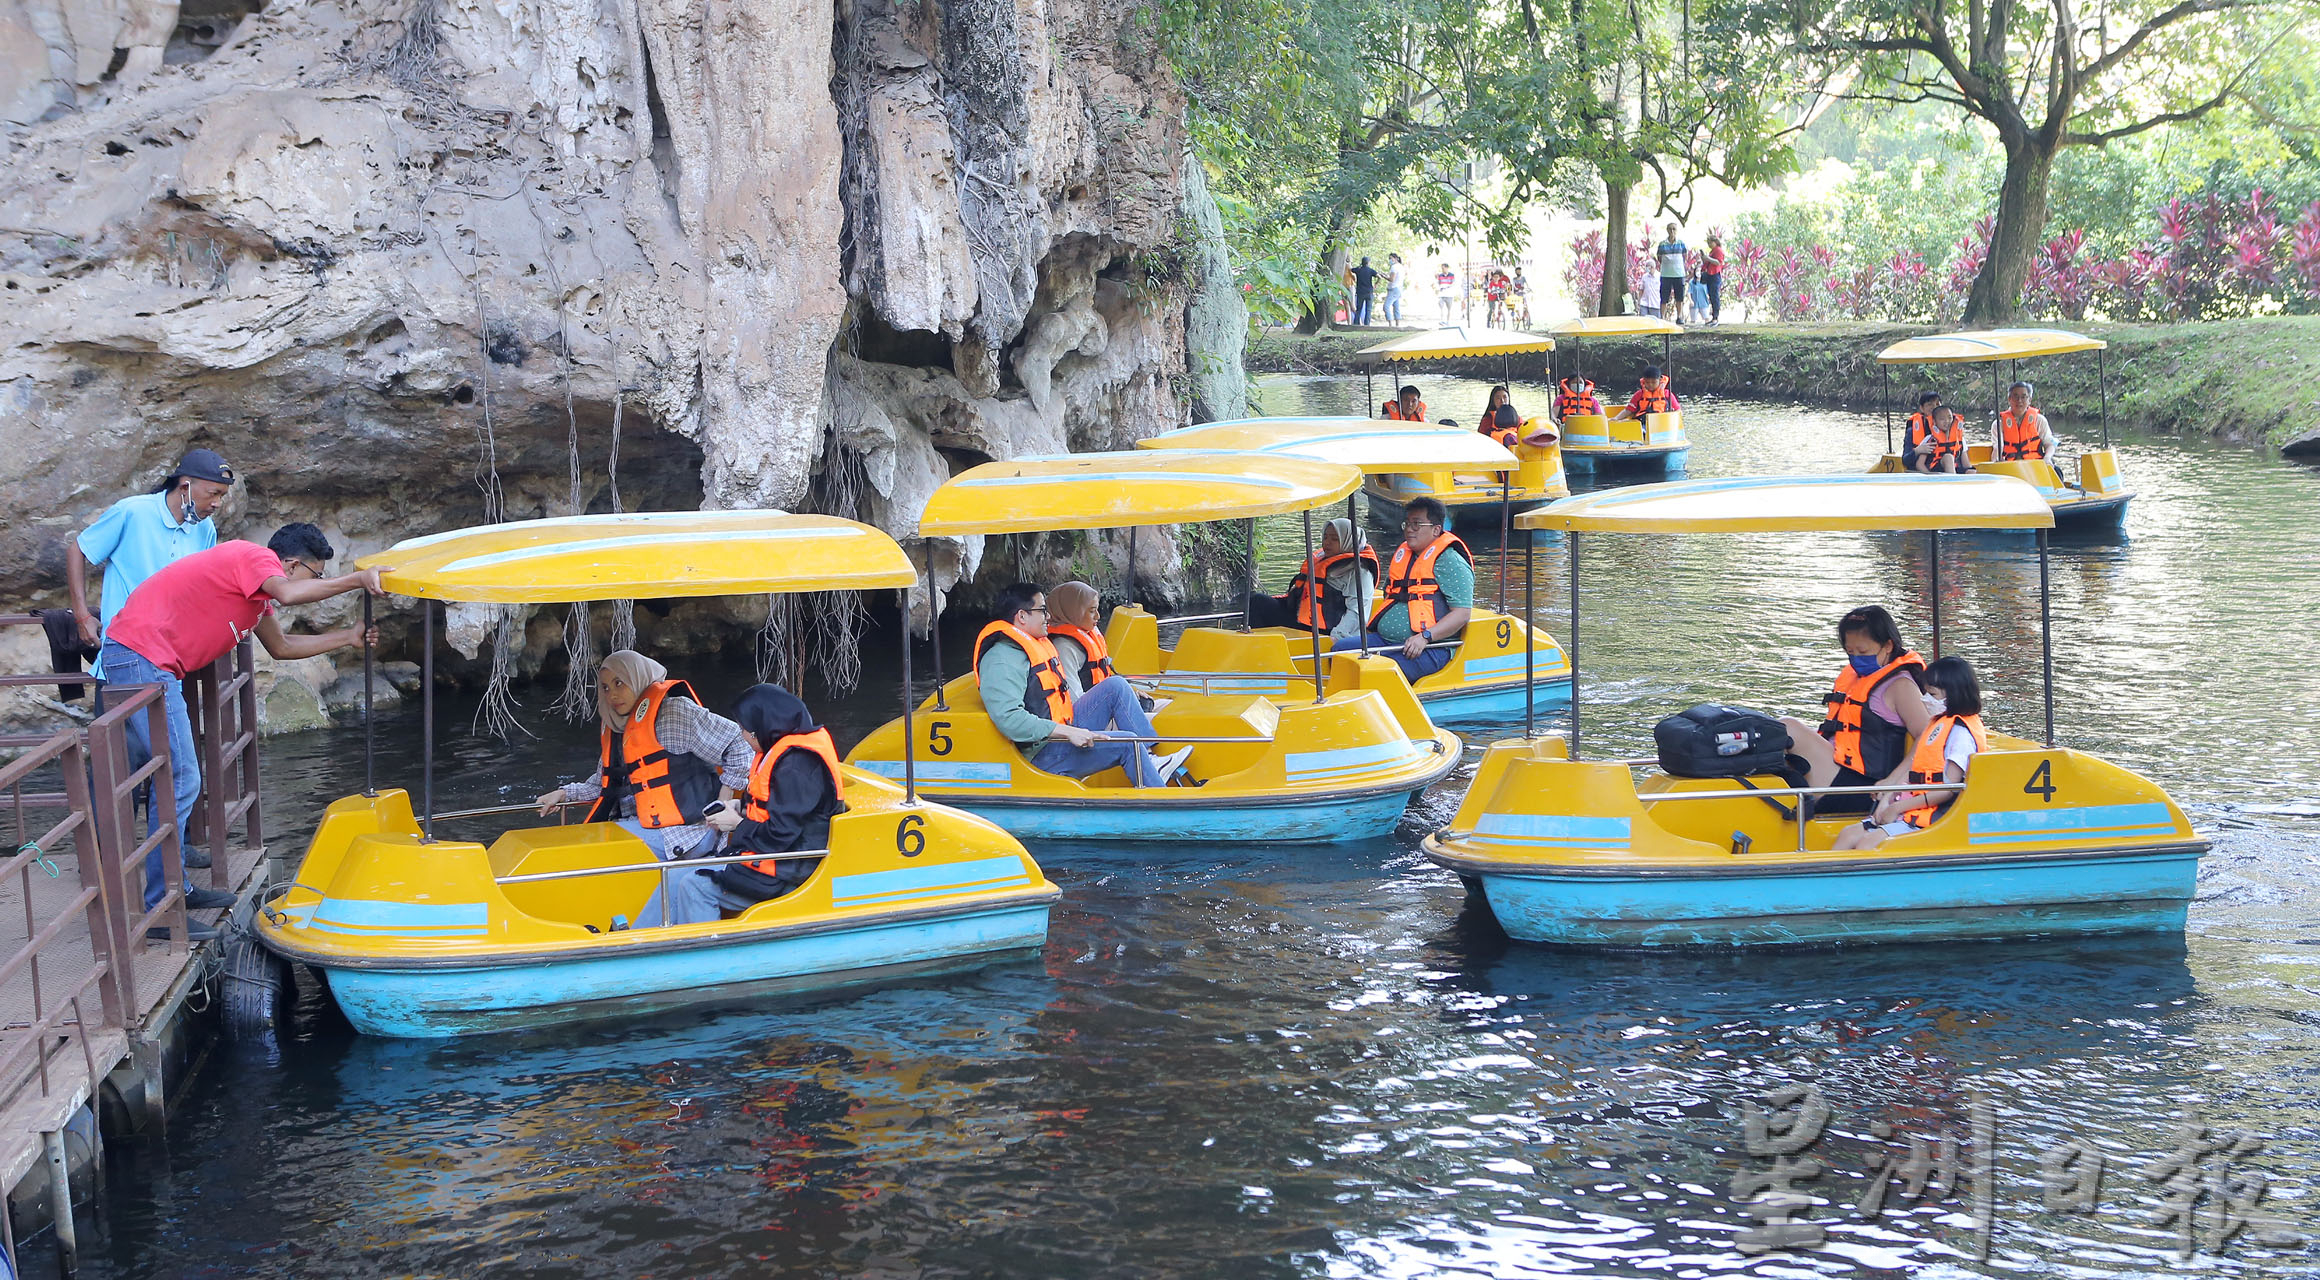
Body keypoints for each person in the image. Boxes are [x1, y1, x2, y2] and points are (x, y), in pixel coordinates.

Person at [102, 523, 384, 935]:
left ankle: (175, 884)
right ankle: (162, 909)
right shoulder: (252, 557)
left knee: (171, 777)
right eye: (316, 574)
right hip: (141, 659)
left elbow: (282, 648)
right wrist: (357, 580)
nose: (317, 583)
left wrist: (348, 637)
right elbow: (289, 592)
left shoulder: (257, 598)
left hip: (148, 662)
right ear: (290, 563)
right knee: (180, 778)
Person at [537, 649, 752, 924]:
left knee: (593, 849)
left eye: (619, 683)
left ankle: (618, 930)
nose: (612, 694)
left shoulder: (675, 713)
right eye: (605, 687)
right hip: (645, 825)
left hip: (690, 831)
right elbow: (606, 782)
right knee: (577, 845)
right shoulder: (617, 727)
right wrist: (565, 793)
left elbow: (738, 743)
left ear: (638, 679)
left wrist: (724, 799)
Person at [975, 584, 1187, 788]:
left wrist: (1067, 729)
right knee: (1127, 742)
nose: (1048, 617)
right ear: (1022, 616)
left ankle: (1151, 761)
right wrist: (1068, 732)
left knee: (1116, 686)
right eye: (1042, 610)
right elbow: (1009, 719)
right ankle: (1161, 802)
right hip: (1040, 752)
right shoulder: (1001, 659)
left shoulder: (1030, 647)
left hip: (1057, 729)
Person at [674, 684, 845, 924]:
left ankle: (704, 955)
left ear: (761, 728)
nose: (743, 737)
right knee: (678, 874)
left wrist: (738, 825)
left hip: (789, 869)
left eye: (745, 731)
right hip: (773, 857)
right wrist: (740, 808)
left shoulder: (797, 766)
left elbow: (783, 833)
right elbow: (771, 809)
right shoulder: (780, 752)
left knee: (695, 886)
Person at [68, 449, 235, 675]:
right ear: (185, 486)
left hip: (172, 656)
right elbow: (78, 549)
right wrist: (82, 616)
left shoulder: (205, 529)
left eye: (221, 496)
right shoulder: (132, 512)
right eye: (213, 493)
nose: (216, 503)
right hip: (125, 650)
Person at [1778, 606, 1930, 817]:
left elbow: (1928, 737)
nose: (1856, 659)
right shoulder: (1856, 677)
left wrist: (1892, 783)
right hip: (1837, 770)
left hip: (1863, 786)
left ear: (1887, 646)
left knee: (1787, 728)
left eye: (1863, 652)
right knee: (1768, 741)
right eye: (1850, 652)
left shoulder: (1900, 685)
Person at [1833, 657, 1985, 850]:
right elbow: (1916, 769)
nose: (1925, 699)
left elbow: (1948, 789)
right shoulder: (1936, 725)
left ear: (1954, 695)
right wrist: (1888, 798)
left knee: (1867, 844)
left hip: (1932, 817)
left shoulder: (1960, 735)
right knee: (1848, 834)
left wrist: (1897, 808)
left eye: (1932, 694)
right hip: (1909, 808)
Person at [1332, 497, 1470, 681]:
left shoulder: (1450, 561)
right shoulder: (1404, 556)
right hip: (1387, 641)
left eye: (1417, 524)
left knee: (1378, 672)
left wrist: (1425, 637)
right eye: (1407, 523)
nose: (1409, 529)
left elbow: (1462, 614)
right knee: (1339, 651)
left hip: (1430, 648)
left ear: (1436, 529)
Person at [1244, 520, 1378, 645]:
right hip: (1304, 619)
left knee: (1258, 602)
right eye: (1325, 537)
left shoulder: (1360, 573)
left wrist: (1337, 636)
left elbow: (1357, 612)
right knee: (1257, 601)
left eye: (1334, 539)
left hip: (1327, 629)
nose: (1327, 542)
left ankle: (1260, 648)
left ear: (1348, 541)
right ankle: (1255, 646)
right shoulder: (1322, 560)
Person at [1905, 392, 1970, 474]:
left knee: (1971, 471)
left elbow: (1966, 464)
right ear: (1921, 408)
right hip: (1932, 469)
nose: (1934, 407)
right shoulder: (1924, 436)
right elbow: (1909, 461)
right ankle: (1953, 483)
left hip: (1953, 469)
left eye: (1937, 403)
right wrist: (1918, 450)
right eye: (1929, 404)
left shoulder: (1958, 437)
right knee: (1948, 458)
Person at [1995, 381, 2055, 462]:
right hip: (2009, 467)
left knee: (2057, 472)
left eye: (2023, 397)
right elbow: (1998, 448)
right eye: (2015, 397)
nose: (2019, 400)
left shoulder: (2040, 420)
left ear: (2029, 400)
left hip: (2036, 466)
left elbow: (2050, 444)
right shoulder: (1999, 424)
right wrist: (1997, 460)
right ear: (2009, 399)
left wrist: (2047, 458)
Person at [1611, 366, 1680, 422]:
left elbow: (1677, 410)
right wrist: (1616, 418)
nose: (1650, 385)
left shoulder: (1667, 394)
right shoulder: (1639, 394)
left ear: (1660, 380)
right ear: (1644, 381)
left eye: (1653, 382)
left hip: (1662, 423)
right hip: (1643, 422)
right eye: (1647, 382)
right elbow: (1628, 410)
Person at [1655, 222, 1689, 324]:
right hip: (1666, 275)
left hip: (1679, 274)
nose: (1672, 231)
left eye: (1674, 229)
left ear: (1676, 230)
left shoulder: (1681, 243)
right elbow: (1659, 258)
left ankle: (1679, 317)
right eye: (1670, 229)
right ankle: (1662, 318)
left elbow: (1685, 256)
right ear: (1667, 230)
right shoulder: (1662, 244)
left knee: (1679, 297)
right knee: (1664, 297)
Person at [1701, 234, 1725, 324]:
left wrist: (1708, 258)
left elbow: (1718, 262)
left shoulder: (1718, 251)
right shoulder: (1712, 251)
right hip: (1710, 274)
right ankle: (1713, 316)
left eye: (1710, 242)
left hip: (1715, 275)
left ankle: (1716, 316)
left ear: (1715, 242)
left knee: (1714, 296)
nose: (1709, 244)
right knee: (1711, 295)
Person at [1348, 256, 1379, 326]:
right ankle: (1367, 324)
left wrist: (1358, 266)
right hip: (1369, 292)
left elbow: (1351, 269)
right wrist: (1376, 284)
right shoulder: (1371, 270)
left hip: (1360, 292)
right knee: (1368, 309)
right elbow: (1379, 276)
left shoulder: (1358, 270)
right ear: (1368, 263)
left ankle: (1356, 324)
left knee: (1359, 309)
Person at [1384, 253, 1407, 324]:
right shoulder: (1401, 267)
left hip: (1393, 288)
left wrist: (1384, 276)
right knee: (1396, 307)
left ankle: (1390, 323)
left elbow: (1392, 279)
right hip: (1399, 288)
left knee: (1386, 306)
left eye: (1391, 258)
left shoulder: (1394, 267)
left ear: (1396, 258)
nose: (1390, 260)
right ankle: (1397, 323)